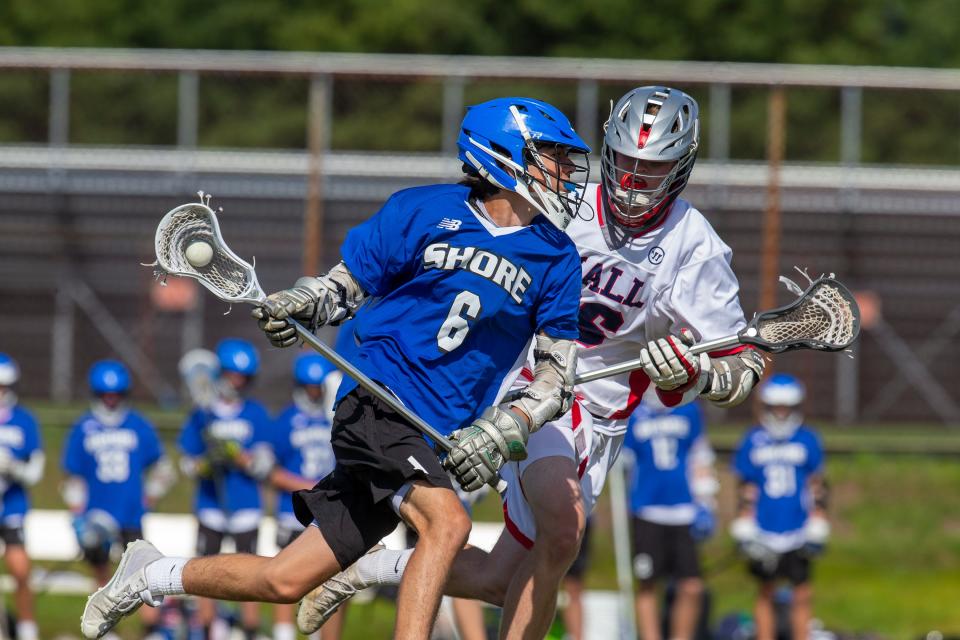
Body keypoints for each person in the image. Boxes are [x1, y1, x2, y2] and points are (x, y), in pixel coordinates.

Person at [81, 96, 591, 640]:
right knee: (449, 523)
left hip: (438, 430)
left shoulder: (556, 258)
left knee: (284, 580)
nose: (563, 171)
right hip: (380, 400)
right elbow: (344, 286)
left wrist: (504, 428)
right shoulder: (422, 210)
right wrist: (305, 302)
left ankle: (148, 573)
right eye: (551, 156)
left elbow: (557, 377)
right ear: (504, 155)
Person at [297, 85, 766, 640]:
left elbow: (741, 366)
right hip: (536, 384)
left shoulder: (695, 247)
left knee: (502, 577)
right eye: (625, 163)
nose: (633, 183)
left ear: (682, 167)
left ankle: (370, 568)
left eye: (652, 169)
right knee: (565, 533)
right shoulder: (561, 199)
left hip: (606, 414)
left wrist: (697, 375)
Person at [62, 360, 174, 640]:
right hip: (97, 518)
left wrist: (150, 496)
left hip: (130, 514)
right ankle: (105, 629)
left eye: (115, 394)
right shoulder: (83, 427)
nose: (110, 400)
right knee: (102, 575)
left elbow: (163, 468)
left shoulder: (138, 424)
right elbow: (73, 475)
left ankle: (152, 631)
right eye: (105, 394)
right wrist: (76, 514)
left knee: (143, 576)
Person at [175, 338, 274, 640]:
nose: (237, 383)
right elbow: (187, 463)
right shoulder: (202, 414)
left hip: (244, 506)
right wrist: (206, 463)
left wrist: (238, 456)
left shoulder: (256, 413)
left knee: (250, 573)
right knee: (206, 572)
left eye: (243, 377)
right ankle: (207, 630)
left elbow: (264, 464)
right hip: (211, 506)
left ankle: (250, 631)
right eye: (232, 375)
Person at [731, 373, 829, 640]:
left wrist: (818, 519)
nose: (782, 413)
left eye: (786, 407)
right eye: (777, 407)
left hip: (797, 526)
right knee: (766, 591)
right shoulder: (753, 439)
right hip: (765, 526)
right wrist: (745, 522)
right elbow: (747, 487)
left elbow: (817, 485)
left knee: (802, 593)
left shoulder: (807, 439)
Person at [623, 391, 717, 640]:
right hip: (647, 509)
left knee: (692, 585)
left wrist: (706, 501)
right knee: (648, 583)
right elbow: (624, 458)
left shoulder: (689, 410)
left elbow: (700, 455)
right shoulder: (634, 412)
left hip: (683, 510)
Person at [270, 353, 341, 640]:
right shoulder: (286, 419)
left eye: (317, 387)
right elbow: (271, 471)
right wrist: (306, 485)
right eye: (309, 386)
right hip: (293, 512)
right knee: (287, 578)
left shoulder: (335, 417)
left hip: (328, 513)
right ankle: (284, 634)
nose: (313, 392)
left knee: (329, 585)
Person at [0, 354, 43, 640]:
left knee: (20, 570)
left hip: (12, 507)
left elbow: (35, 472)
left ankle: (28, 630)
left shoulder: (24, 420)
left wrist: (13, 467)